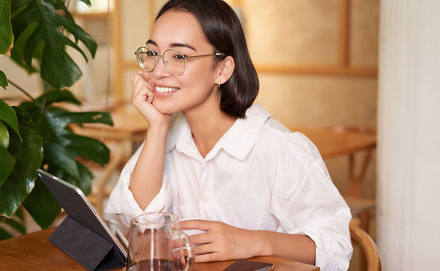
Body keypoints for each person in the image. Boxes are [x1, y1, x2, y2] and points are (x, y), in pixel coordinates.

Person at [104, 0, 352, 270]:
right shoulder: (163, 140)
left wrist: (254, 241)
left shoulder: (279, 147)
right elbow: (134, 231)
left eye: (179, 56)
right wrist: (157, 127)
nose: (158, 71)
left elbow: (335, 247)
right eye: (152, 53)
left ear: (222, 70)